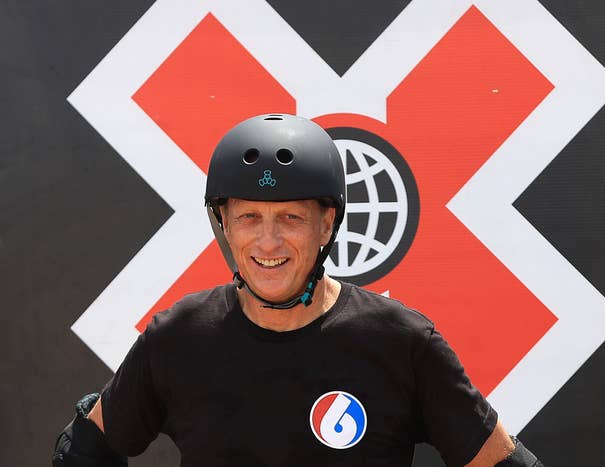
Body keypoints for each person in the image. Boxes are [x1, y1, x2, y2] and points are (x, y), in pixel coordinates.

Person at [53, 114, 543, 466]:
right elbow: (82, 452)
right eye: (248, 217)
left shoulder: (401, 341)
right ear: (223, 222)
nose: (268, 241)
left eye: (291, 217)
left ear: (326, 224)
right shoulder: (179, 336)